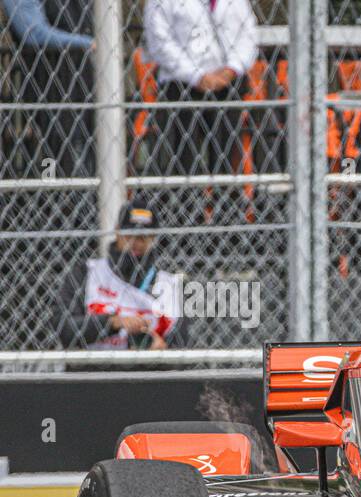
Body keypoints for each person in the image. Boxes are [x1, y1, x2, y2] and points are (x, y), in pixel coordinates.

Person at [142, 0, 257, 175]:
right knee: (183, 155)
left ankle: (226, 197)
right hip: (181, 84)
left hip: (227, 84)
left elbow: (248, 33)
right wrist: (196, 76)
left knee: (226, 154)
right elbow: (159, 40)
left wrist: (230, 69)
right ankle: (185, 198)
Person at [56, 199, 186, 349]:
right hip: (93, 370)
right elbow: (63, 329)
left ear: (154, 239)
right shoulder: (87, 272)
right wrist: (113, 323)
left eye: (144, 236)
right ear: (117, 231)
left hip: (148, 371)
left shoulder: (170, 284)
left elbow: (183, 346)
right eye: (130, 234)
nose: (137, 242)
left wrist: (161, 350)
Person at [2, 0, 95, 178]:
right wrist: (85, 42)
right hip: (48, 79)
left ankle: (83, 196)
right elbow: (34, 34)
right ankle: (52, 194)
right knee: (52, 145)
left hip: (78, 75)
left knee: (84, 140)